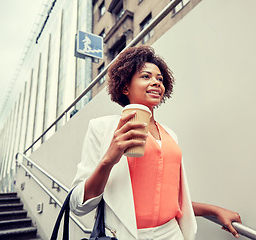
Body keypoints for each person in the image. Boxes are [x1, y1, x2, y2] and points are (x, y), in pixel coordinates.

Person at [69, 46, 242, 240]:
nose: (156, 83)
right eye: (146, 76)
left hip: (172, 233)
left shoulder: (171, 136)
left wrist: (215, 210)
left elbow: (173, 202)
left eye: (159, 79)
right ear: (125, 87)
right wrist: (109, 159)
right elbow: (77, 205)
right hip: (127, 235)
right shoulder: (102, 128)